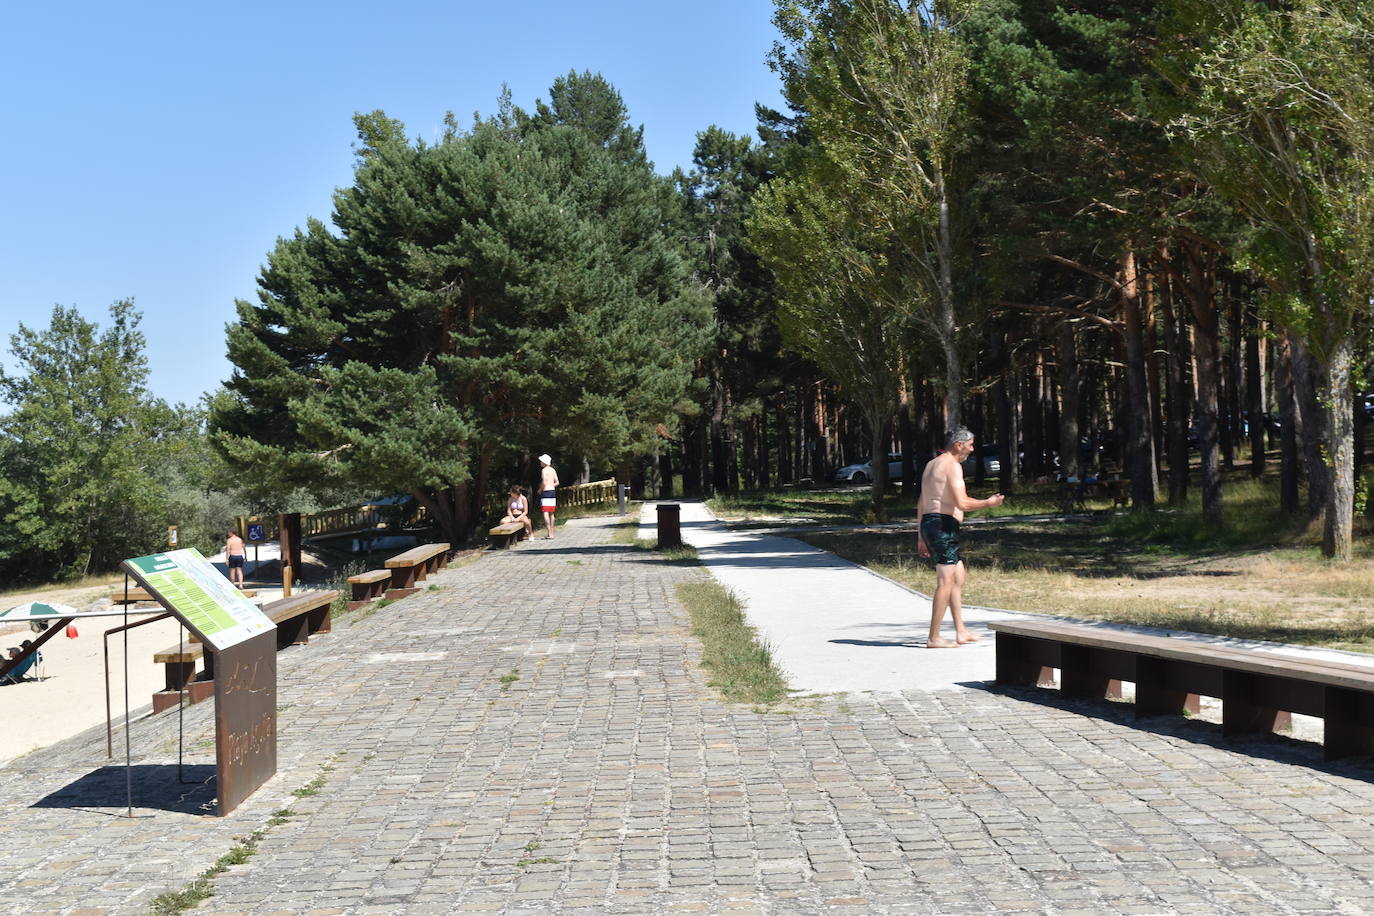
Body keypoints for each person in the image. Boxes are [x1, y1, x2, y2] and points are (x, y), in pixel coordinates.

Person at [917, 426, 1005, 648]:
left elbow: (922, 502)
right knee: (945, 581)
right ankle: (934, 637)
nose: (972, 450)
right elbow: (962, 503)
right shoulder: (952, 466)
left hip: (932, 524)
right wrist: (989, 503)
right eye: (970, 445)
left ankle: (961, 631)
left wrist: (920, 535)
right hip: (942, 526)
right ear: (959, 445)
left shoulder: (931, 465)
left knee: (958, 577)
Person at [538, 454, 560, 539]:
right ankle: (552, 532)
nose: (540, 463)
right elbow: (557, 482)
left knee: (545, 512)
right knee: (552, 513)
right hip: (552, 491)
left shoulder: (544, 470)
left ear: (544, 462)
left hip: (546, 492)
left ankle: (549, 532)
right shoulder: (553, 470)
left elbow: (544, 481)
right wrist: (551, 485)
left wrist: (541, 489)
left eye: (541, 461)